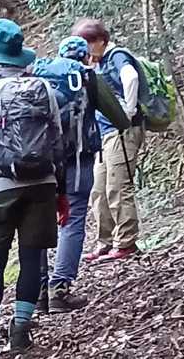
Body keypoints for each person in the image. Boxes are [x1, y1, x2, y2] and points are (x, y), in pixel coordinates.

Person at [0, 17, 67, 359]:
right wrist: (62, 193)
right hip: (43, 184)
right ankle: (21, 332)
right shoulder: (44, 89)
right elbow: (58, 144)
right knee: (32, 259)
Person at [33, 35, 128, 310]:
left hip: (41, 160)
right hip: (78, 158)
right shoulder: (88, 76)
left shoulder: (39, 74)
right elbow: (118, 118)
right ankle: (59, 290)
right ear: (86, 57)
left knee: (38, 222)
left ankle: (38, 291)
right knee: (72, 220)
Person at [73, 16, 142, 261]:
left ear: (101, 41)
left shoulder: (116, 56)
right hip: (104, 135)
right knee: (98, 190)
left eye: (88, 44)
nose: (86, 50)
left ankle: (126, 243)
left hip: (122, 132)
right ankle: (106, 241)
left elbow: (131, 77)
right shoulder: (98, 63)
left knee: (117, 186)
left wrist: (129, 111)